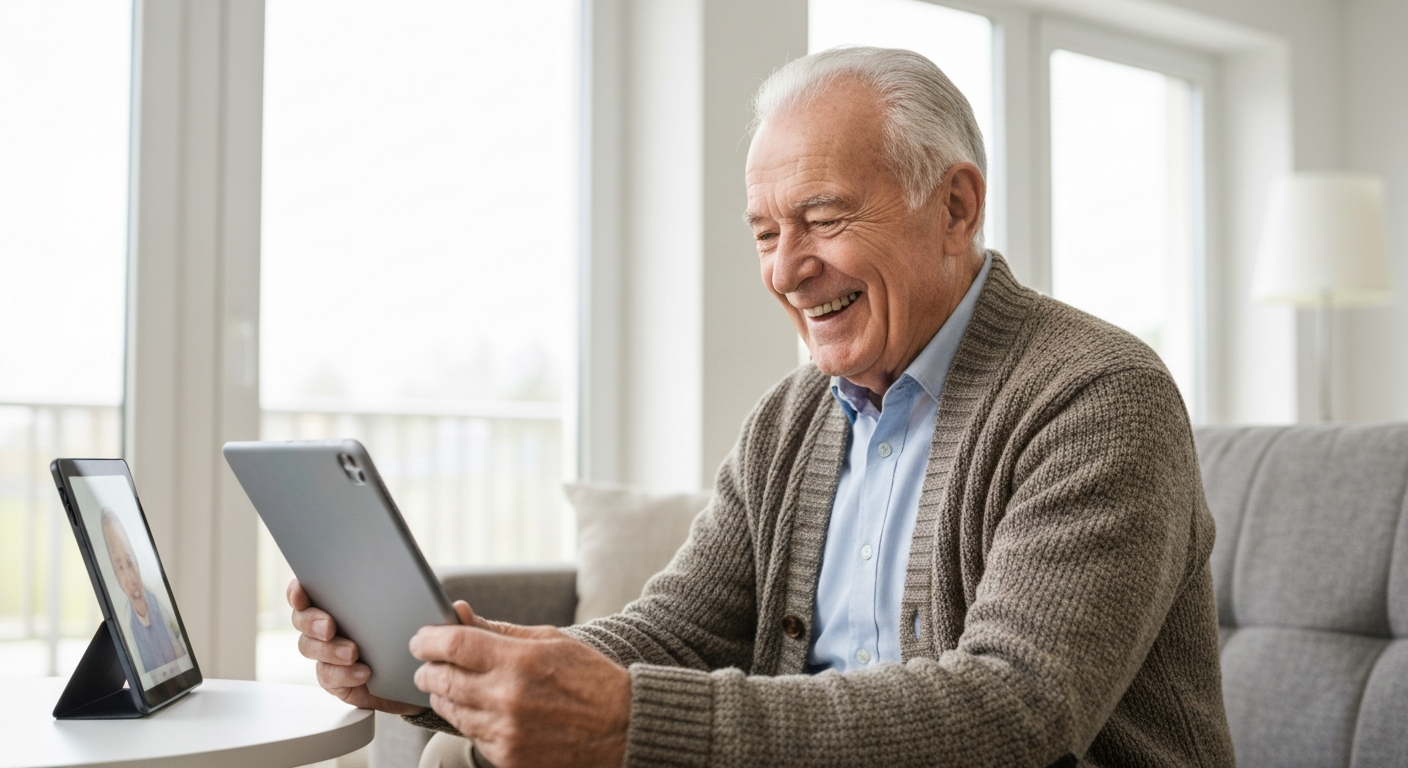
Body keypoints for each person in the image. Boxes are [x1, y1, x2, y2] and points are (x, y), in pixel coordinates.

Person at [290, 46, 1234, 767]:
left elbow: (1016, 710)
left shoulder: (1098, 395)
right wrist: (468, 665)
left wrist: (628, 720)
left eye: (823, 219)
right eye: (765, 232)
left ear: (955, 208)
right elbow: (676, 630)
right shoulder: (792, 419)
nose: (787, 269)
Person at [100, 506, 186, 673]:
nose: (129, 577)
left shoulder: (159, 604)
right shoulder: (128, 628)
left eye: (130, 562)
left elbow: (178, 648)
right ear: (116, 576)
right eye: (120, 568)